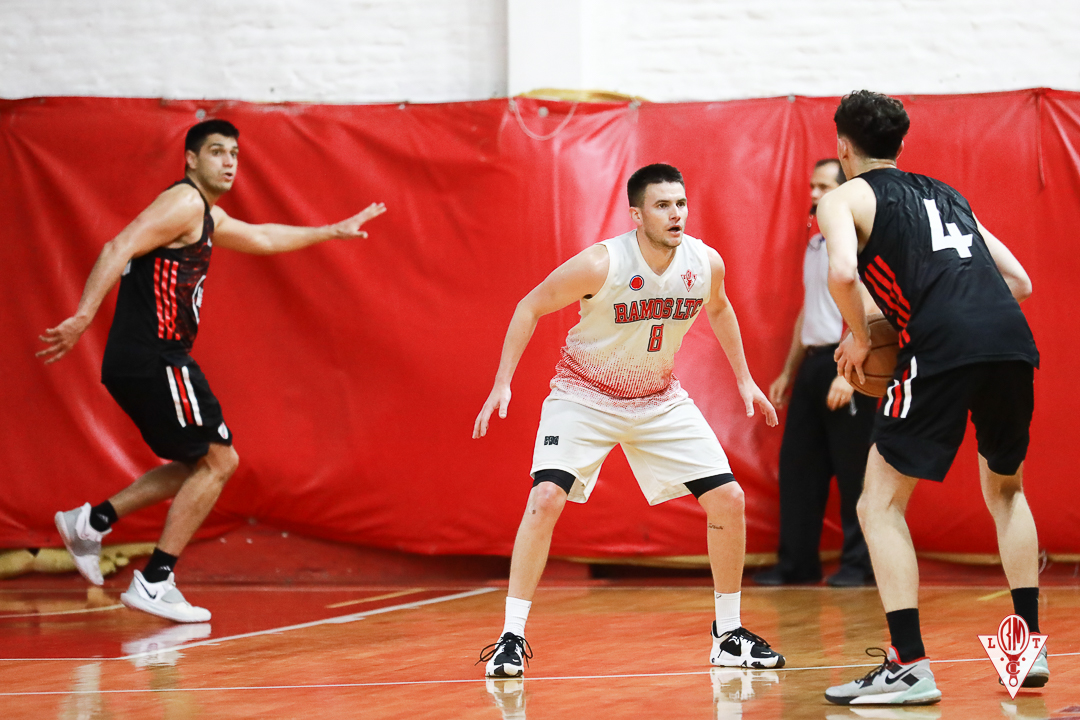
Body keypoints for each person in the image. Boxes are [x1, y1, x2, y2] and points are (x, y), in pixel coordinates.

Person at [40, 119, 386, 623]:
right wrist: (83, 316)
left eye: (234, 155)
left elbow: (264, 237)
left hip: (145, 360)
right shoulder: (182, 203)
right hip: (158, 357)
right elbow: (117, 246)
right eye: (217, 152)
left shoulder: (207, 215)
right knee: (220, 462)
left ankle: (91, 523)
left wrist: (329, 231)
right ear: (191, 160)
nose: (228, 162)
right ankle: (155, 581)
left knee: (197, 465)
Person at [472, 163, 785, 678]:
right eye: (663, 205)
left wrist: (745, 379)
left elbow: (722, 309)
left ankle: (727, 635)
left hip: (658, 400)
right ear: (637, 213)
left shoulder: (704, 262)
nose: (676, 214)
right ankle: (511, 636)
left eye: (681, 203)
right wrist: (503, 380)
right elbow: (529, 306)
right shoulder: (602, 263)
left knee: (728, 497)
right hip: (584, 397)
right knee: (546, 497)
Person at [817, 91, 1044, 704]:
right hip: (1011, 343)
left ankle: (908, 664)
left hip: (941, 349)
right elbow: (1018, 281)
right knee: (1006, 489)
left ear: (843, 145)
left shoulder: (841, 197)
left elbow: (841, 271)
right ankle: (1029, 646)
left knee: (878, 506)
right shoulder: (948, 194)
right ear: (899, 143)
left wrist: (864, 338)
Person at [755, 159, 876, 588]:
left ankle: (861, 566)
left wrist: (851, 373)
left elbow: (868, 303)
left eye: (823, 185)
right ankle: (797, 564)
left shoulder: (856, 244)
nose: (813, 192)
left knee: (854, 469)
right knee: (798, 467)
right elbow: (811, 309)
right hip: (813, 363)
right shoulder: (815, 245)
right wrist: (789, 370)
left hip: (849, 361)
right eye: (811, 185)